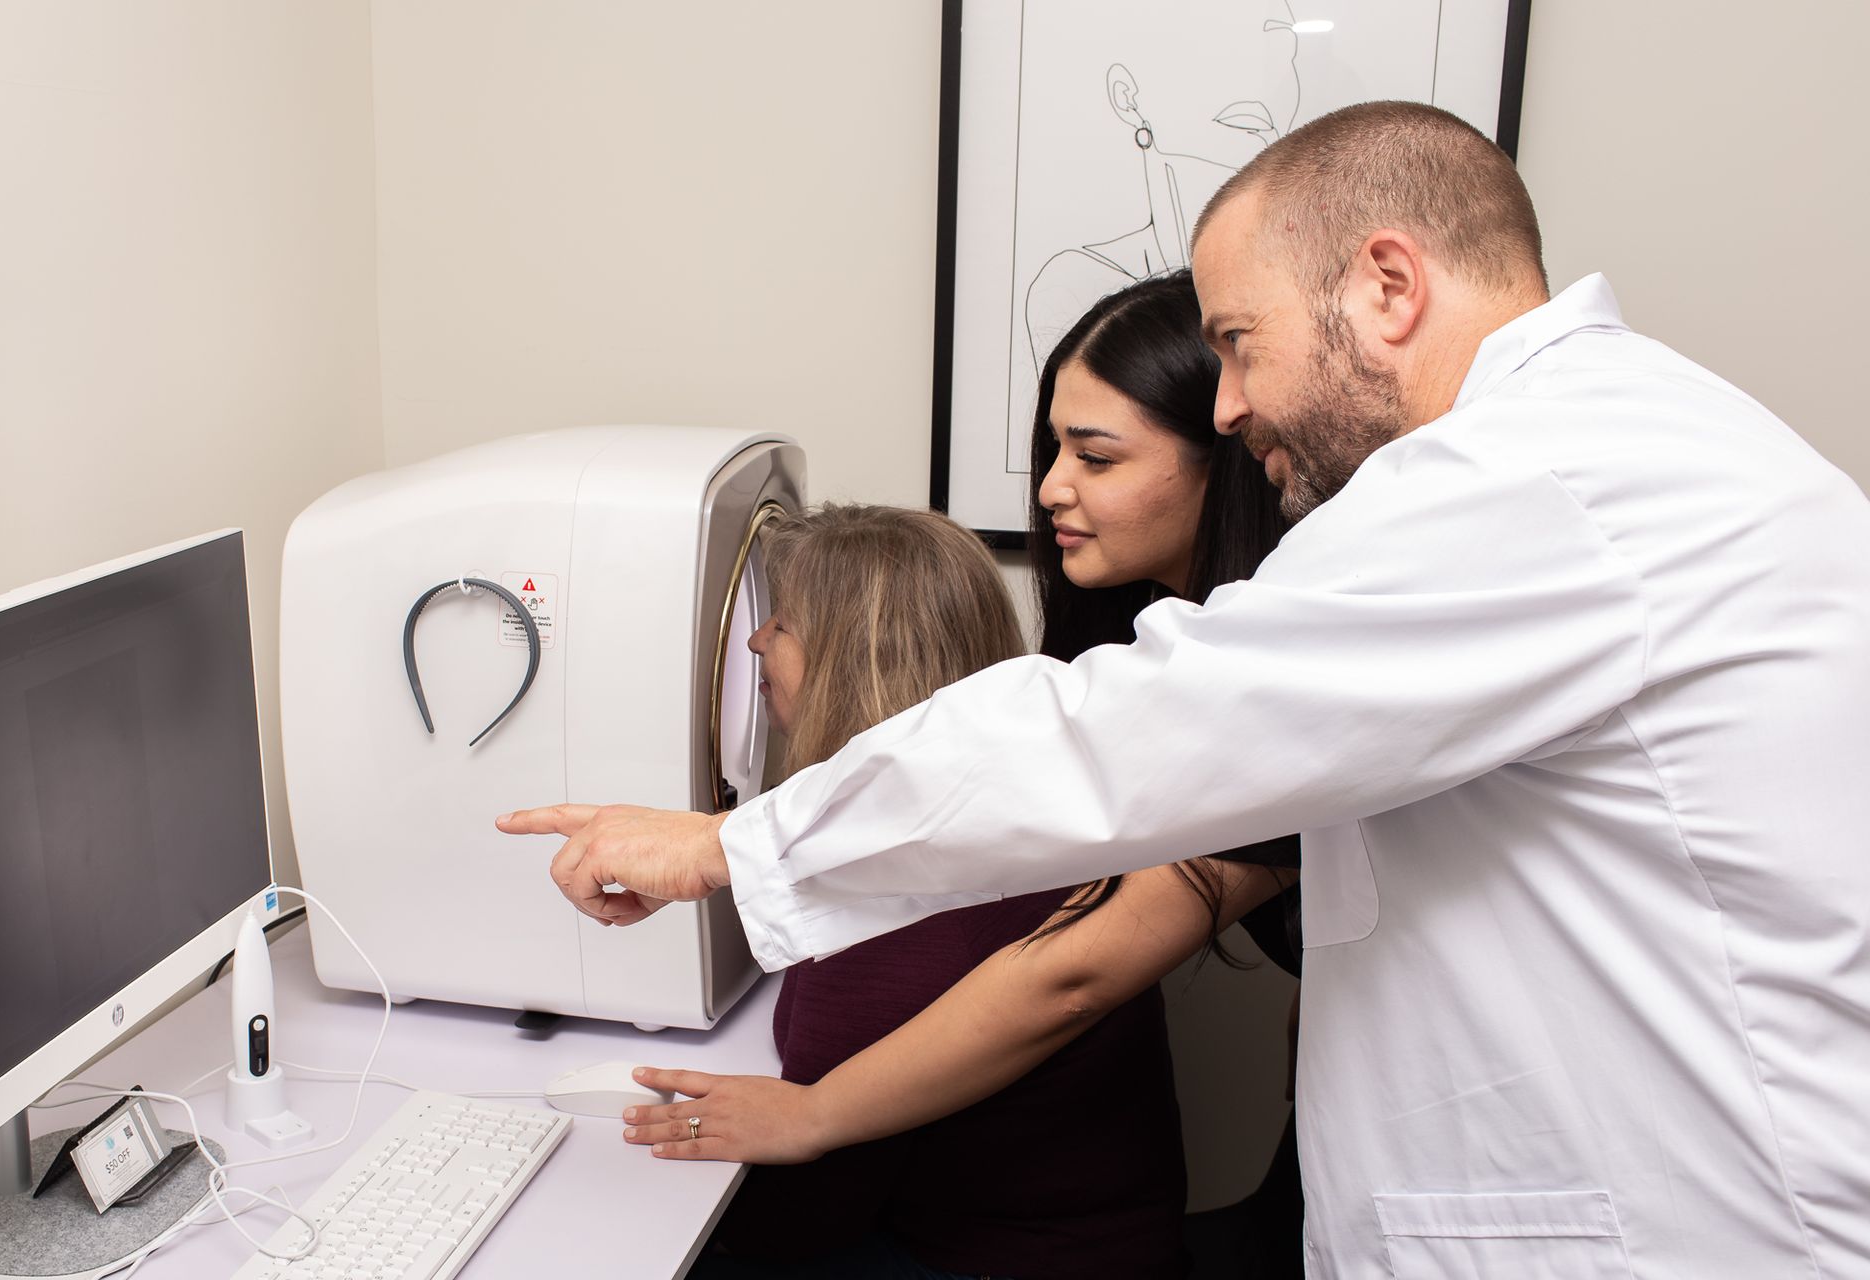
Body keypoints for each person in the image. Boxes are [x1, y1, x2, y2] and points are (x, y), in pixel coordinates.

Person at [502, 101, 1870, 1277]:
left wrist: (731, 845)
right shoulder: (1620, 451)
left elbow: (1132, 734)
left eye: (1241, 339)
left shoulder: (1545, 483)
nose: (1226, 405)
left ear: (1388, 288)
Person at [602, 272, 1307, 1275]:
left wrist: (807, 1111)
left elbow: (1072, 968)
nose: (1053, 487)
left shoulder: (1284, 672)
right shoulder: (1156, 665)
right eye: (1052, 450)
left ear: (1224, 465)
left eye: (1096, 455)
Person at [674, 502, 1191, 1280]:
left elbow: (802, 1218)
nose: (755, 641)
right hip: (1113, 1238)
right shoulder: (1038, 810)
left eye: (780, 624)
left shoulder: (888, 891)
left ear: (847, 663)